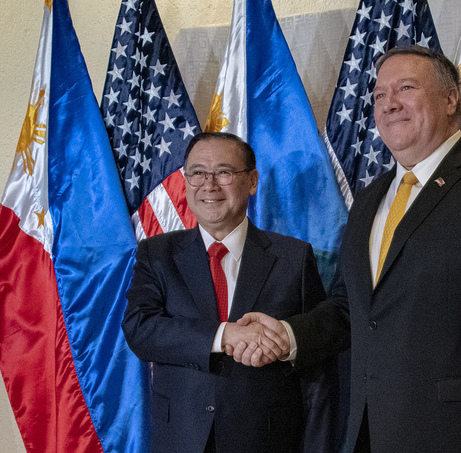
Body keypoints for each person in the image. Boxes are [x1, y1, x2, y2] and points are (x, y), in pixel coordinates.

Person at [235, 46, 461, 453]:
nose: (389, 104)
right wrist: (288, 335)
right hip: (368, 434)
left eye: (406, 88)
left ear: (450, 99)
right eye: (379, 95)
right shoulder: (369, 199)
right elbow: (351, 308)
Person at [122, 132, 330, 453]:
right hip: (181, 438)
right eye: (198, 173)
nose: (209, 185)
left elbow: (317, 351)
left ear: (252, 181)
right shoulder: (157, 253)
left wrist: (284, 344)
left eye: (224, 172)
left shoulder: (294, 257)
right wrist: (224, 335)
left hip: (267, 440)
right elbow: (140, 329)